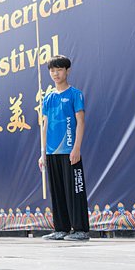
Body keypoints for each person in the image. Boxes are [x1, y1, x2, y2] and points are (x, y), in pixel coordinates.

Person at [37, 55, 90, 241]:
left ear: (67, 71)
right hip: (52, 152)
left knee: (75, 190)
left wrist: (76, 148)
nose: (55, 74)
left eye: (59, 70)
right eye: (52, 70)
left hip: (70, 151)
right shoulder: (48, 98)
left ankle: (81, 229)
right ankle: (61, 228)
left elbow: (80, 122)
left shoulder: (75, 94)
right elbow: (45, 126)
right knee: (57, 191)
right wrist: (43, 153)